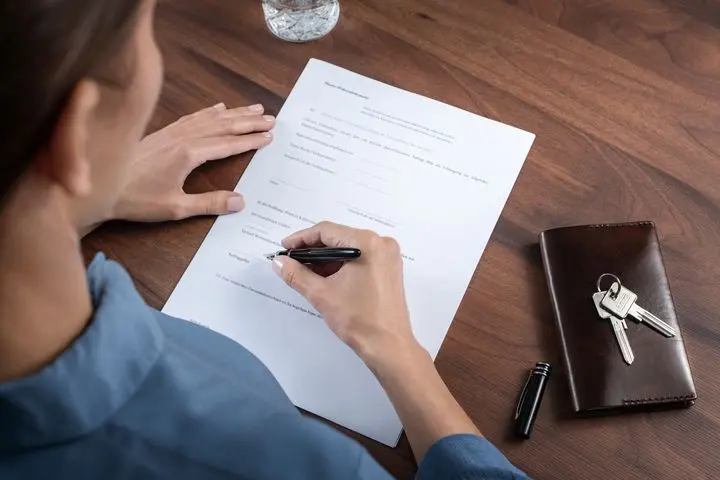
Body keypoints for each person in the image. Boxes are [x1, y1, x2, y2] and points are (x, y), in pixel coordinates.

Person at [0, 1, 529, 479]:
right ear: (78, 127)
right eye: (148, 31)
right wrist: (394, 347)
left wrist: (71, 200)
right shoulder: (287, 462)